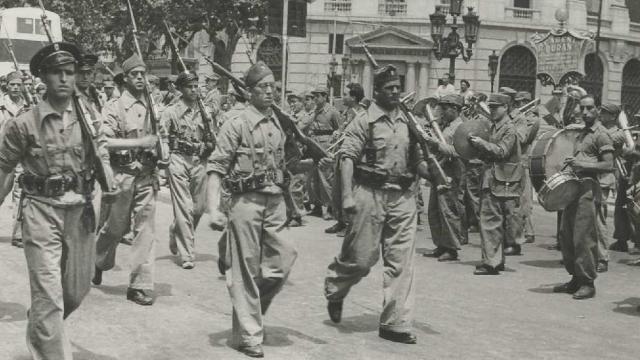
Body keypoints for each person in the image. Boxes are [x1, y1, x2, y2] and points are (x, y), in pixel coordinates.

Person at [0, 41, 115, 360]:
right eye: (56, 73)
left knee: (76, 292)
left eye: (70, 72)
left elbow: (102, 152)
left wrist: (110, 186)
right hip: (40, 212)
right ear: (43, 78)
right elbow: (4, 168)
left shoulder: (88, 118)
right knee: (49, 296)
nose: (64, 79)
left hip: (80, 212)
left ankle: (40, 322)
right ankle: (49, 344)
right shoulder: (23, 123)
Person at [206, 61, 308, 358]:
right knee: (247, 269)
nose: (270, 91)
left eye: (273, 86)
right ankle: (250, 333)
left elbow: (288, 163)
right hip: (245, 202)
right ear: (248, 92)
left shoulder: (278, 122)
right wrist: (214, 210)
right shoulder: (235, 123)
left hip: (275, 202)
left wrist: (313, 163)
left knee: (283, 260)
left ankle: (246, 310)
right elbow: (216, 168)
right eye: (263, 87)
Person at [324, 64, 430, 345]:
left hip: (403, 197)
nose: (395, 92)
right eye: (389, 89)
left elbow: (418, 159)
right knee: (361, 259)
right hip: (369, 193)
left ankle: (395, 323)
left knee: (402, 262)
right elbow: (347, 158)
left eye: (398, 88)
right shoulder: (364, 120)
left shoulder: (411, 122)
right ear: (378, 91)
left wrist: (437, 174)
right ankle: (335, 288)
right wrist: (346, 195)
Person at [93, 54, 169, 306]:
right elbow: (105, 142)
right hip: (122, 176)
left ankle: (139, 284)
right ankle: (98, 259)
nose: (140, 78)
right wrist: (139, 142)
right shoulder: (114, 107)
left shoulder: (154, 108)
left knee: (145, 231)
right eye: (135, 74)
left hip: (146, 176)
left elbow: (162, 138)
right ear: (125, 79)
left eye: (143, 74)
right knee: (115, 228)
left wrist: (162, 151)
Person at [551, 94, 614, 299]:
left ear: (597, 110)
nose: (585, 112)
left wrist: (583, 165)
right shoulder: (581, 133)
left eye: (589, 108)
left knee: (583, 238)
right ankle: (575, 278)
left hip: (588, 190)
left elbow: (608, 165)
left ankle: (588, 282)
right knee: (566, 235)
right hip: (573, 189)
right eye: (582, 108)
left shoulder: (601, 134)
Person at [468, 93, 524, 275]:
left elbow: (502, 151)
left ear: (505, 107)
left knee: (490, 221)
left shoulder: (509, 129)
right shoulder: (495, 127)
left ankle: (490, 263)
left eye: (495, 107)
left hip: (501, 180)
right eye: (490, 107)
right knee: (496, 222)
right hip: (496, 179)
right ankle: (496, 260)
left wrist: (481, 144)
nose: (491, 110)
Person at [163, 72, 214, 269]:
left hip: (199, 160)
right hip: (178, 159)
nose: (194, 90)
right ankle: (187, 254)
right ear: (180, 89)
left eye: (196, 86)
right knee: (185, 206)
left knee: (199, 207)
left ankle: (176, 229)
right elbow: (163, 137)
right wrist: (165, 158)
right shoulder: (171, 111)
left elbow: (213, 136)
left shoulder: (205, 111)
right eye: (189, 87)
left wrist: (209, 144)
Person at [422, 94, 467, 261]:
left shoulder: (461, 127)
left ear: (455, 109)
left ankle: (451, 248)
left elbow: (459, 151)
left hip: (452, 173)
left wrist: (436, 143)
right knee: (435, 210)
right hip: (440, 169)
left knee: (449, 210)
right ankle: (440, 245)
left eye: (445, 108)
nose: (441, 111)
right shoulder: (445, 125)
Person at [0, 71, 30, 249]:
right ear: (7, 86)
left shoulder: (28, 106)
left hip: (21, 155)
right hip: (2, 155)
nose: (16, 88)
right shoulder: (1, 105)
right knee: (1, 193)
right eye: (13, 85)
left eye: (19, 85)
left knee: (21, 193)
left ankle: (18, 234)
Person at [307, 86, 342, 220]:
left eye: (317, 96)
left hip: (326, 146)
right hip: (314, 144)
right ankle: (316, 206)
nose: (315, 98)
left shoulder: (332, 111)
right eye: (314, 96)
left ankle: (330, 208)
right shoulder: (314, 111)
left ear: (325, 96)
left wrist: (334, 143)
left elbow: (340, 129)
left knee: (326, 178)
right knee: (313, 178)